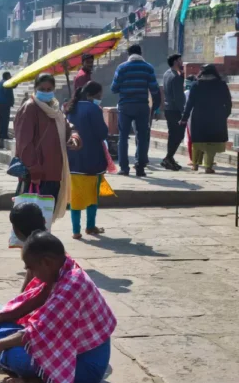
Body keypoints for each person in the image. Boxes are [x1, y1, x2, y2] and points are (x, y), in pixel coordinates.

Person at [0, 232, 115, 383]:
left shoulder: (71, 286)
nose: (30, 273)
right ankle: (8, 357)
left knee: (13, 356)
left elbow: (32, 334)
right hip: (53, 340)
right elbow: (33, 301)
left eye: (30, 268)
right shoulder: (61, 267)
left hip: (84, 366)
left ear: (46, 262)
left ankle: (38, 381)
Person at [13, 73, 79, 221]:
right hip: (36, 174)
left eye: (49, 89)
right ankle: (33, 243)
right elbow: (24, 144)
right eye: (42, 88)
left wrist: (74, 136)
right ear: (36, 88)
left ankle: (41, 242)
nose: (46, 91)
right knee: (32, 218)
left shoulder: (54, 107)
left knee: (46, 216)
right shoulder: (29, 108)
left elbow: (67, 126)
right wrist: (34, 169)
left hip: (54, 171)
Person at [66, 81, 109, 240]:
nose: (100, 98)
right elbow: (102, 132)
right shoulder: (93, 109)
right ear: (92, 95)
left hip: (73, 159)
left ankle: (75, 230)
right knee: (92, 195)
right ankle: (90, 226)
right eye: (99, 95)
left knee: (75, 196)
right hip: (92, 159)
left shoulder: (70, 108)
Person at [111, 44, 160, 177]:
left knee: (123, 137)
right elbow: (154, 89)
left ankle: (124, 168)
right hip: (142, 106)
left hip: (125, 106)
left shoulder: (121, 68)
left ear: (128, 54)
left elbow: (114, 88)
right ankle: (140, 167)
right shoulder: (148, 68)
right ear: (141, 53)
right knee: (142, 137)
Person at [180, 64, 232, 174]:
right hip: (216, 117)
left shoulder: (196, 85)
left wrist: (184, 117)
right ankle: (208, 167)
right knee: (211, 144)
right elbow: (228, 103)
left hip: (199, 117)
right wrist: (224, 115)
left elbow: (189, 104)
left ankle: (195, 165)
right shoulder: (221, 85)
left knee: (198, 142)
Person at [161, 54, 186, 171]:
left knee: (172, 135)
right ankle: (168, 158)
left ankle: (169, 159)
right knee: (179, 134)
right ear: (176, 61)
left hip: (168, 108)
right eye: (180, 60)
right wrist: (184, 113)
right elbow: (178, 97)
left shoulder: (167, 73)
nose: (182, 62)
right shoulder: (176, 77)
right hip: (175, 110)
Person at [0, 72, 15, 142]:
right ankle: (4, 135)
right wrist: (11, 102)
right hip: (5, 103)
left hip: (0, 103)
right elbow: (9, 92)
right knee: (5, 119)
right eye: (10, 76)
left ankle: (1, 134)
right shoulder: (7, 83)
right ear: (7, 76)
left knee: (2, 119)